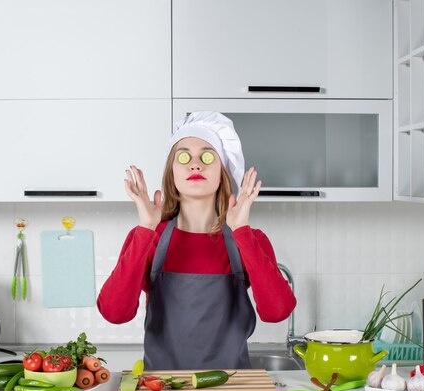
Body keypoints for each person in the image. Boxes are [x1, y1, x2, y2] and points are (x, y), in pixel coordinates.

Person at [97, 111, 296, 370]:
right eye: (183, 156)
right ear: (172, 172)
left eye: (207, 156)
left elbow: (277, 312)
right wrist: (145, 227)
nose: (195, 165)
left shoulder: (247, 238)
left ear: (223, 170)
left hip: (233, 389)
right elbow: (115, 313)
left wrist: (241, 231)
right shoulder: (148, 238)